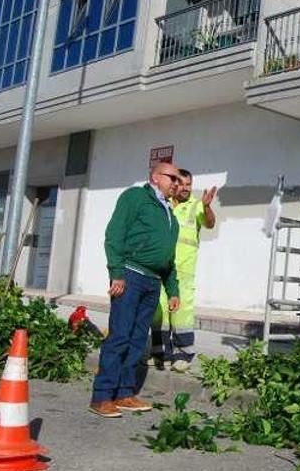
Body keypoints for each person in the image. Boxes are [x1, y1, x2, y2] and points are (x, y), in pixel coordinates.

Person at [89, 162, 182, 418]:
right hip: (130, 276)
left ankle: (124, 393)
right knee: (119, 335)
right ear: (155, 177)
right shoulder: (135, 197)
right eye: (171, 177)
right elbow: (114, 234)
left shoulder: (170, 215)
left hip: (153, 283)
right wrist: (116, 273)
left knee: (138, 339)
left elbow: (168, 259)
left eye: (178, 179)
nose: (176, 182)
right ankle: (102, 397)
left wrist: (173, 290)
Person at [151, 169, 217, 373]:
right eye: (182, 183)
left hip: (183, 272)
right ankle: (160, 353)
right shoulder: (164, 204)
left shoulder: (196, 205)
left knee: (181, 314)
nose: (186, 187)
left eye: (189, 184)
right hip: (161, 268)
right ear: (174, 184)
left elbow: (210, 223)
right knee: (158, 312)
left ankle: (183, 355)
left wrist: (206, 207)